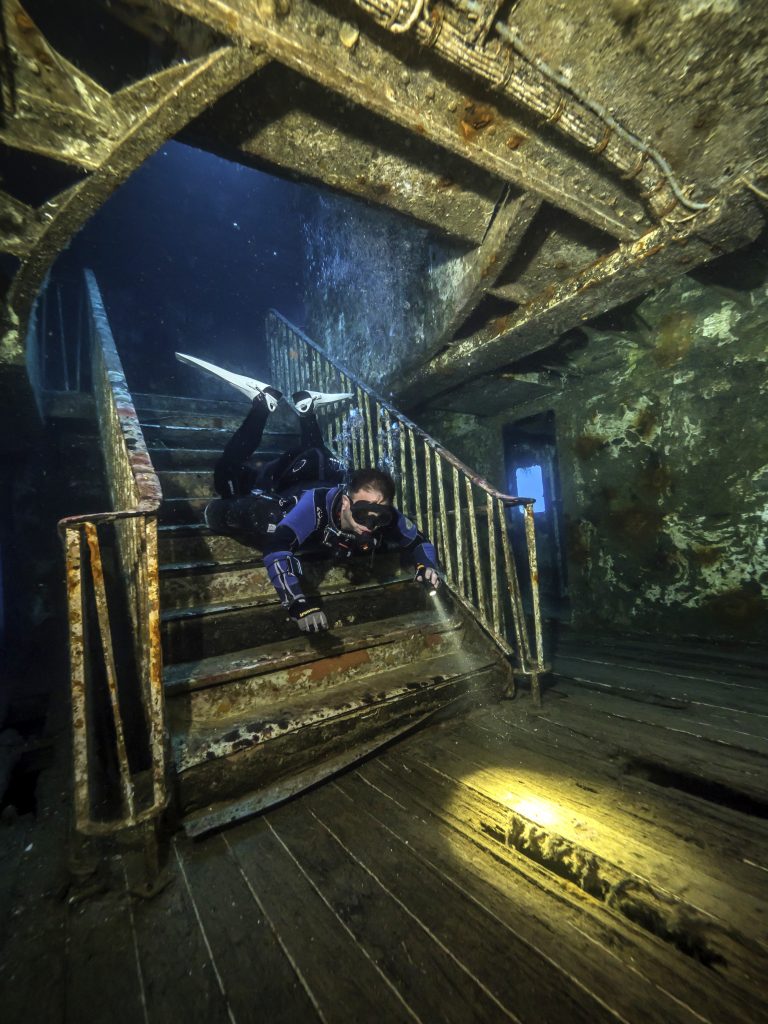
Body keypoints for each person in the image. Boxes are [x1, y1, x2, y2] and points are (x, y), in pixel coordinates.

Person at [175, 353, 441, 633]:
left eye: (381, 516)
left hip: (318, 471)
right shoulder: (314, 506)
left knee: (320, 456)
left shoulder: (379, 511)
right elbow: (277, 548)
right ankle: (261, 404)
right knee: (227, 484)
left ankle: (306, 409)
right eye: (363, 514)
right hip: (280, 483)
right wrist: (297, 602)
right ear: (347, 502)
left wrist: (426, 566)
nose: (370, 524)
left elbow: (418, 541)